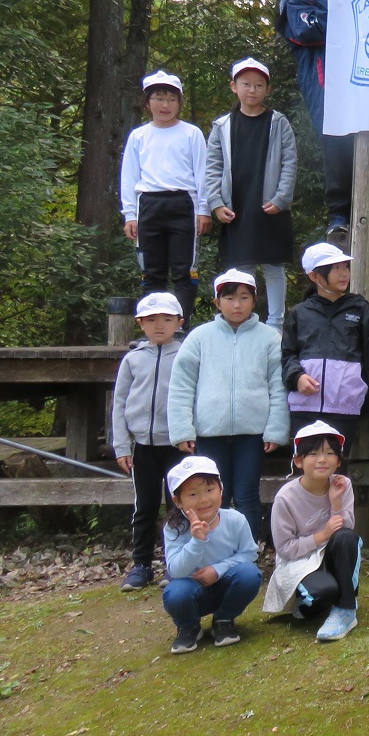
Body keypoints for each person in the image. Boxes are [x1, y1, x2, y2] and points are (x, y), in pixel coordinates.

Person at [168, 269, 289, 541]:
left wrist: (275, 429)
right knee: (213, 497)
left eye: (244, 297)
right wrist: (182, 430)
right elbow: (181, 385)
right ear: (217, 302)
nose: (237, 305)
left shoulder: (269, 338)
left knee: (246, 495)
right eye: (230, 298)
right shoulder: (200, 337)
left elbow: (278, 386)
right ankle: (214, 548)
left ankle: (246, 551)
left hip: (252, 433)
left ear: (254, 300)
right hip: (210, 433)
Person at [204, 58, 296, 329]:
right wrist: (216, 203)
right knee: (240, 266)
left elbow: (290, 162)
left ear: (268, 89)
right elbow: (213, 166)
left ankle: (276, 323)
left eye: (259, 85)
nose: (252, 90)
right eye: (246, 84)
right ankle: (241, 320)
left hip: (270, 205)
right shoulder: (222, 126)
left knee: (273, 265)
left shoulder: (278, 123)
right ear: (233, 87)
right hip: (237, 205)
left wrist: (281, 198)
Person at [275, 0, 351, 240]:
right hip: (323, 82)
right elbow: (313, 32)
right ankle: (339, 213)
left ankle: (363, 206)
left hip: (358, 76)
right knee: (335, 143)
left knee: (368, 137)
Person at [119, 70, 209, 321]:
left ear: (180, 103)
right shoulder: (139, 136)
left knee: (185, 272)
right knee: (152, 272)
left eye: (171, 99)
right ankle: (153, 328)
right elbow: (129, 177)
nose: (165, 105)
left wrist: (203, 209)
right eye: (158, 98)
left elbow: (202, 173)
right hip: (148, 204)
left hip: (184, 204)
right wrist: (130, 214)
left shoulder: (192, 133)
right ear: (147, 102)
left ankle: (179, 327)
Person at [281, 241, 369, 443]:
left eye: (345, 267)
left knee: (337, 468)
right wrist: (297, 377)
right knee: (308, 466)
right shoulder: (299, 313)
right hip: (304, 409)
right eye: (335, 268)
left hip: (345, 409)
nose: (343, 273)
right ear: (314, 276)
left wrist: (361, 392)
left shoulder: (360, 310)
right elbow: (287, 355)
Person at [112, 292, 186, 592]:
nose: (159, 326)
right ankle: (141, 564)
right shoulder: (133, 359)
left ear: (178, 323)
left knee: (177, 505)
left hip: (177, 444)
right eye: (152, 320)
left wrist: (188, 435)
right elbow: (119, 404)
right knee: (144, 506)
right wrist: (121, 445)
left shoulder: (185, 354)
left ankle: (175, 563)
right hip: (142, 446)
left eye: (167, 319)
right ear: (140, 323)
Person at [263, 421, 362, 642]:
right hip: (300, 560)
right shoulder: (285, 497)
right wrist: (322, 535)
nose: (322, 459)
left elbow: (346, 533)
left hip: (330, 554)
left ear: (338, 460)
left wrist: (335, 503)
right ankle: (309, 601)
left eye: (329, 453)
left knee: (347, 537)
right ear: (299, 461)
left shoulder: (341, 485)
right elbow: (286, 548)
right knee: (323, 593)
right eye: (314, 454)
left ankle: (346, 610)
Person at [161, 455, 262, 653]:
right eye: (193, 495)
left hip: (226, 584)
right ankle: (188, 627)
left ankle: (224, 620)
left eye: (210, 490)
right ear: (178, 501)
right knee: (175, 593)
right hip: (192, 589)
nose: (204, 499)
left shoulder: (235, 519)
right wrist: (197, 541)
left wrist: (218, 569)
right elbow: (176, 570)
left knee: (249, 574)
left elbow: (249, 553)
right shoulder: (175, 528)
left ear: (221, 490)